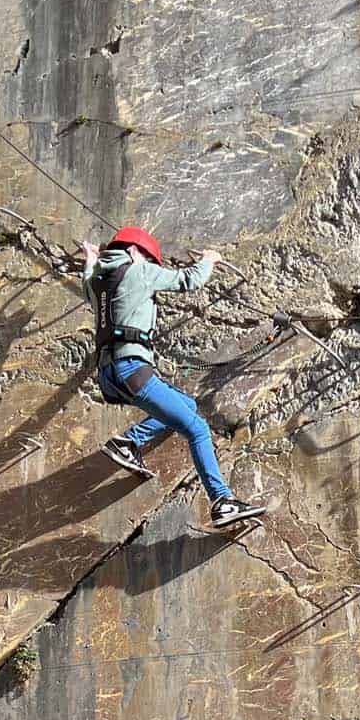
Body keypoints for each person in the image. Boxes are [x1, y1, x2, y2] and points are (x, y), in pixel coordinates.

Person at [82, 226, 266, 527]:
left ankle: (128, 443)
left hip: (109, 375)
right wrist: (209, 260)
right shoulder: (139, 269)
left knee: (186, 406)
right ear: (133, 252)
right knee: (197, 429)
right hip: (133, 370)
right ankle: (222, 501)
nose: (153, 267)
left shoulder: (100, 280)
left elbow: (87, 286)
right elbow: (188, 281)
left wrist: (90, 259)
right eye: (151, 261)